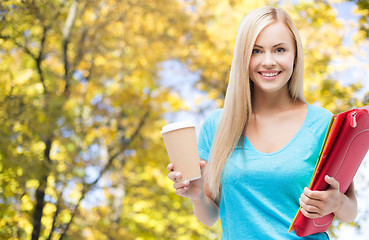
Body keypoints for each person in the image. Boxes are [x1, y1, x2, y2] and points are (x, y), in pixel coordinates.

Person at [167, 6, 358, 239]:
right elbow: (210, 216)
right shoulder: (217, 125)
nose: (268, 61)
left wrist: (336, 202)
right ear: (243, 57)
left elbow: (350, 210)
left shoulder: (323, 123)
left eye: (279, 50)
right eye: (256, 51)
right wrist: (197, 196)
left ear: (295, 54)